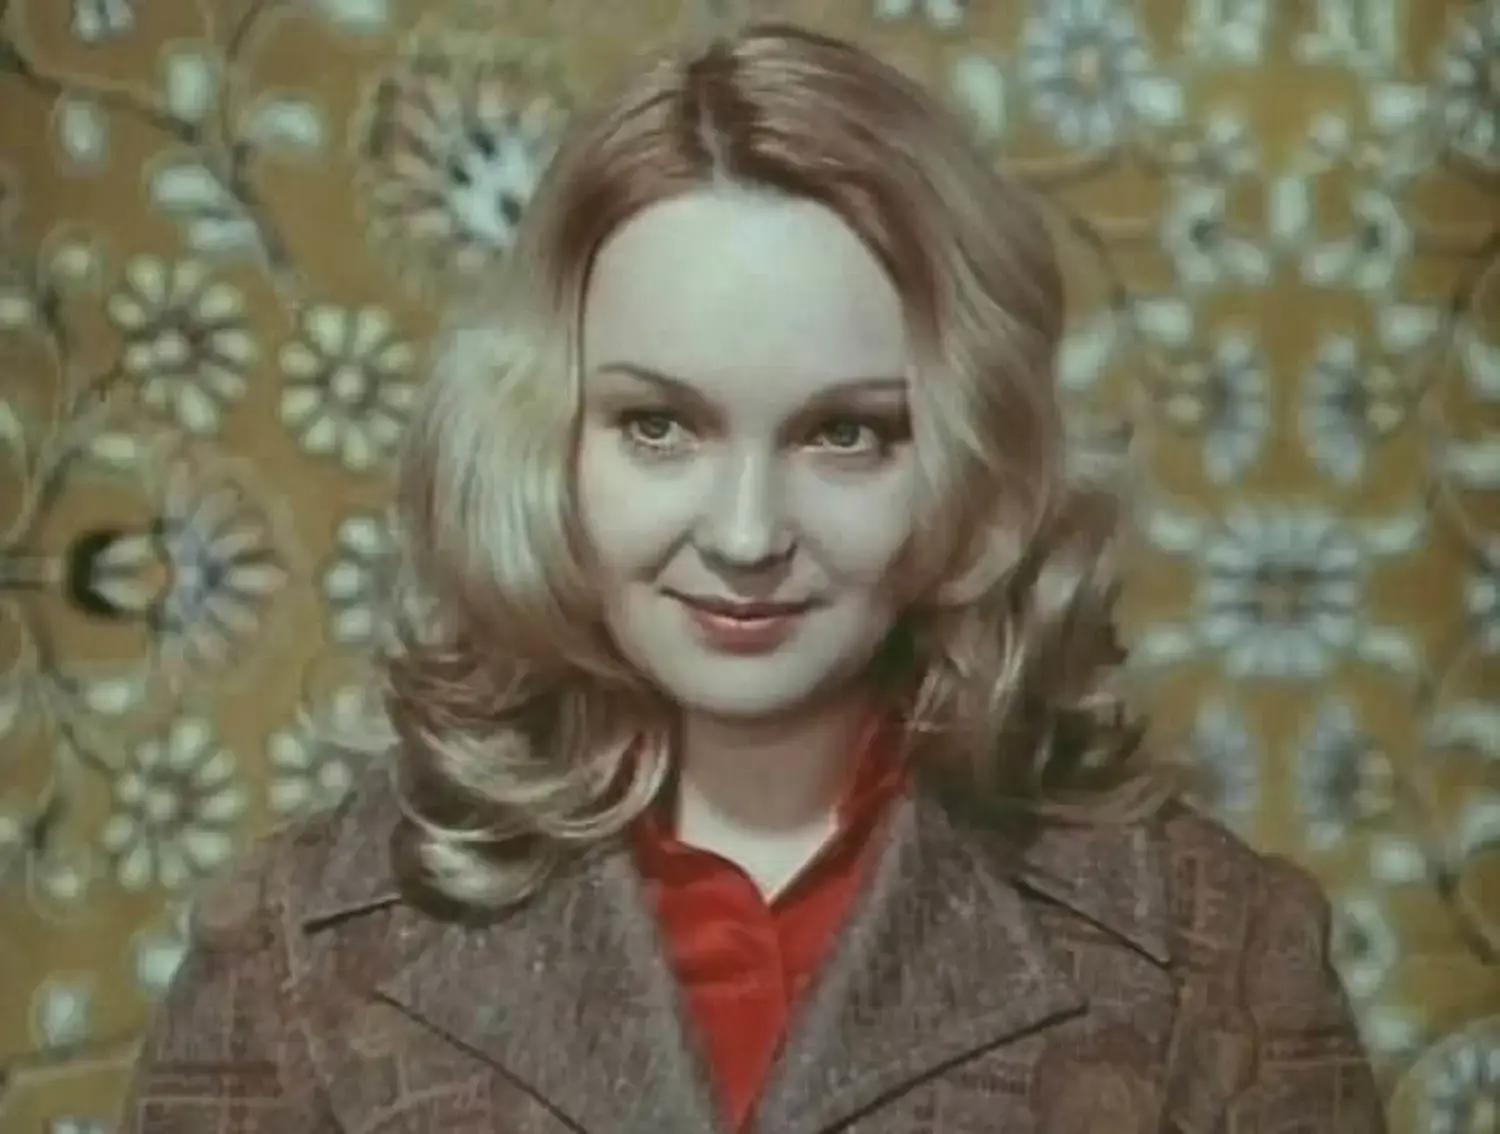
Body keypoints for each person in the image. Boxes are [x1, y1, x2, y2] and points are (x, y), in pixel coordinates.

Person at [121, 19, 1384, 1134]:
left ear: (975, 461)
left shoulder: (1219, 960)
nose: (743, 534)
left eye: (846, 434)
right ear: (545, 436)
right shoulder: (292, 954)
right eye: (658, 426)